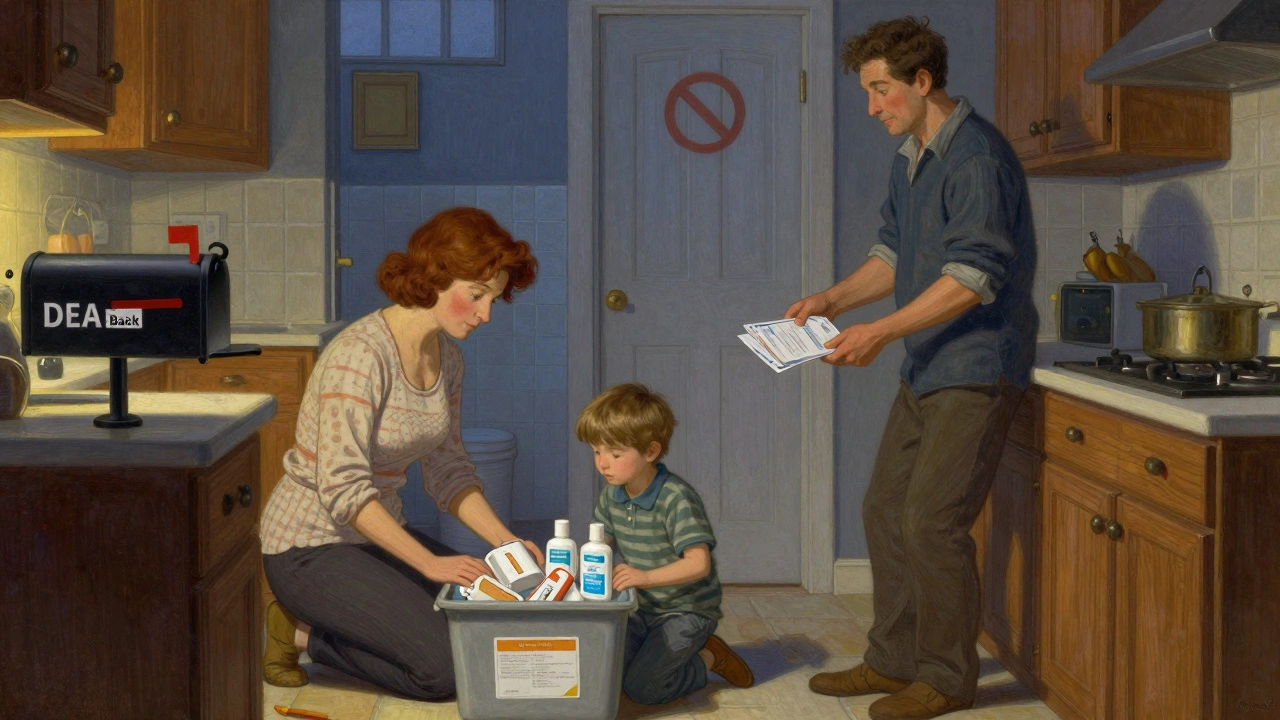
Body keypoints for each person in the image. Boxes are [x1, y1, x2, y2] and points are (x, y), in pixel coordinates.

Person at [792, 16, 1037, 720]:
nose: (872, 106)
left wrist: (880, 330)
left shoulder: (977, 158)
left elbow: (972, 277)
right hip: (927, 364)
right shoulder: (913, 155)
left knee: (931, 522)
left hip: (977, 366)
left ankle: (947, 677)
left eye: (879, 90)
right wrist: (831, 301)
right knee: (882, 509)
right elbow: (894, 256)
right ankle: (893, 659)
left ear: (921, 82)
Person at [257, 206, 541, 701]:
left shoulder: (447, 359)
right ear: (436, 277)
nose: (485, 314)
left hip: (379, 539)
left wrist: (505, 543)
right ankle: (300, 632)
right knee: (446, 672)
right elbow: (343, 488)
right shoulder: (360, 356)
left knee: (488, 631)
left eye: (493, 298)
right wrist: (430, 565)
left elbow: (449, 470)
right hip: (308, 548)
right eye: (476, 295)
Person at [575, 383, 755, 705]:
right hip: (642, 609)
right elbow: (597, 546)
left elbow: (699, 564)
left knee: (643, 689)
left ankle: (711, 658)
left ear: (651, 452)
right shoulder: (610, 495)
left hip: (685, 611)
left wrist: (644, 578)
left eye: (614, 454)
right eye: (596, 451)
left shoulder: (676, 497)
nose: (602, 463)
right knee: (604, 671)